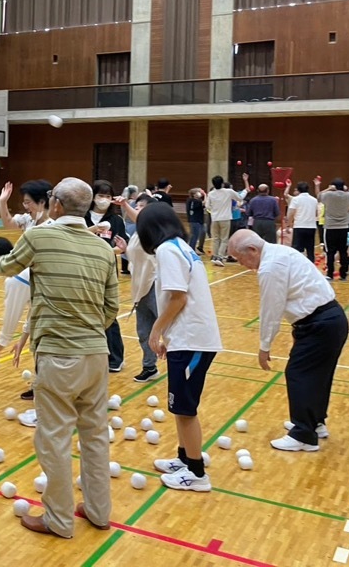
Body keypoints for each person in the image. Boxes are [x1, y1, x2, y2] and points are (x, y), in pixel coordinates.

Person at [0, 178, 118, 538]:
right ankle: (98, 511)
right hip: (96, 354)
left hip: (58, 356)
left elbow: (6, 268)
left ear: (56, 205)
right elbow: (111, 307)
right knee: (95, 436)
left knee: (54, 439)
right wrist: (87, 328)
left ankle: (59, 521)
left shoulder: (39, 236)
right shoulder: (103, 249)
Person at [228, 230, 349, 451]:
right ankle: (315, 423)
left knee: (298, 373)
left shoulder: (270, 267)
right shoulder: (280, 252)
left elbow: (271, 310)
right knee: (318, 376)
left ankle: (304, 435)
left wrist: (264, 346)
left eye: (239, 258)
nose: (240, 264)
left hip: (320, 324)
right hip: (330, 320)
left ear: (252, 250)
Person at [136, 202, 222, 492]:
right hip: (188, 339)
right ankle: (185, 458)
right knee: (179, 406)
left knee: (185, 409)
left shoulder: (167, 250)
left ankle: (196, 474)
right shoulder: (181, 246)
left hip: (192, 340)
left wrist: (156, 331)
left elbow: (178, 298)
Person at [0, 179, 53, 404]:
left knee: (44, 340)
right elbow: (8, 223)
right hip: (32, 286)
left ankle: (48, 388)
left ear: (42, 202)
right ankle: (41, 385)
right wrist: (3, 202)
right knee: (36, 338)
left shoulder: (52, 226)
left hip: (47, 288)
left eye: (28, 202)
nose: (25, 206)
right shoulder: (29, 220)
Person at [84, 181, 127, 372]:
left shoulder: (116, 220)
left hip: (106, 270)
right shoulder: (82, 216)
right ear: (93, 197)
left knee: (109, 314)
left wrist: (110, 251)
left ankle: (115, 358)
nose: (104, 200)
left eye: (108, 196)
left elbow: (122, 246)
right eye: (100, 195)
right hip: (83, 270)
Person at [125, 194, 161, 383]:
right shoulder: (138, 232)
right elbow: (136, 257)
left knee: (168, 330)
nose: (136, 208)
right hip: (139, 287)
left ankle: (183, 365)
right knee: (144, 332)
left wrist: (124, 203)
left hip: (155, 284)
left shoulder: (154, 229)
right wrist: (124, 249)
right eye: (136, 205)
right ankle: (149, 367)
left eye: (140, 206)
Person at [318, 178, 349, 281]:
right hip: (343, 227)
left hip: (330, 227)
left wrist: (328, 189)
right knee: (343, 251)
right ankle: (343, 274)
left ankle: (330, 273)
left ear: (333, 186)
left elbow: (319, 196)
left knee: (330, 252)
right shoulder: (348, 195)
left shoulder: (328, 195)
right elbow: (347, 191)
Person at [204, 175, 240, 266]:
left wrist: (214, 210)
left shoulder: (211, 193)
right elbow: (239, 198)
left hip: (214, 218)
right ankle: (220, 257)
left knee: (216, 238)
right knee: (224, 239)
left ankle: (215, 256)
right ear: (222, 183)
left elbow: (207, 206)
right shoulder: (228, 191)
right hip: (225, 218)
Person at [286, 181, 318, 262]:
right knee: (310, 249)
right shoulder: (314, 200)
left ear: (298, 189)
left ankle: (296, 265)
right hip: (311, 227)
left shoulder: (295, 199)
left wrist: (288, 225)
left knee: (296, 249)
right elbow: (316, 213)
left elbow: (291, 213)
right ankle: (311, 267)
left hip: (299, 226)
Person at [186, 188, 206, 254]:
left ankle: (195, 248)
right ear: (194, 194)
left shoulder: (191, 200)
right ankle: (191, 249)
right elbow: (204, 203)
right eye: (198, 192)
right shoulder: (195, 201)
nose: (200, 193)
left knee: (201, 232)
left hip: (197, 220)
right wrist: (205, 195)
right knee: (195, 235)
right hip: (195, 220)